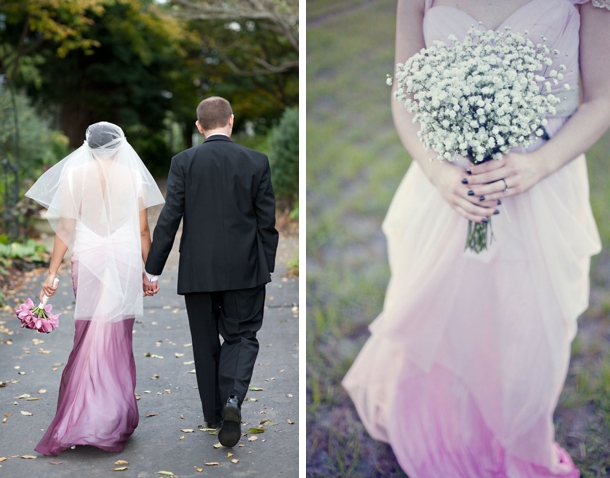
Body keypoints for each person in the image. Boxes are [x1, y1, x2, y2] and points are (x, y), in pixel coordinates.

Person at [343, 0, 610, 476]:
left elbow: (602, 98)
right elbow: (406, 94)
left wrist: (538, 165)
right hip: (450, 184)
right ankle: (445, 426)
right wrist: (437, 172)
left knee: (533, 326)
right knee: (439, 313)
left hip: (543, 184)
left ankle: (519, 435)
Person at [143, 96, 279, 448]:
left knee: (205, 343)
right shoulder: (256, 161)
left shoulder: (183, 162)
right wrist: (267, 266)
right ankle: (233, 398)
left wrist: (153, 270)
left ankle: (213, 414)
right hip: (245, 268)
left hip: (197, 271)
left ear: (199, 126)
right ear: (231, 121)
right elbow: (267, 223)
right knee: (242, 335)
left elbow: (169, 217)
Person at [25, 122, 165, 455]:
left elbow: (66, 227)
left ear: (87, 144)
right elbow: (143, 231)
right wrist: (151, 271)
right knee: (116, 334)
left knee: (88, 332)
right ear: (120, 146)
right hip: (125, 258)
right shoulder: (133, 177)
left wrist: (51, 271)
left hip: (87, 258)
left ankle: (86, 413)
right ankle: (110, 414)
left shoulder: (75, 176)